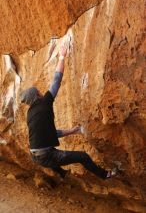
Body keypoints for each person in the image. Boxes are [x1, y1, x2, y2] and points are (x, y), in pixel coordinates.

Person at [20, 42, 116, 180]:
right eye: (38, 92)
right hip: (46, 156)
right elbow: (56, 80)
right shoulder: (44, 103)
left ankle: (62, 174)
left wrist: (73, 131)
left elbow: (51, 134)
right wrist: (61, 57)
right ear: (37, 96)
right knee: (83, 157)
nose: (41, 92)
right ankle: (106, 175)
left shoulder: (31, 113)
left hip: (35, 155)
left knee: (51, 156)